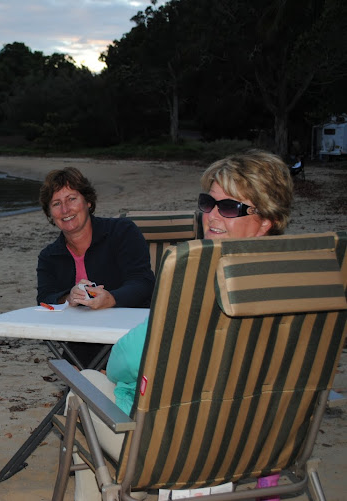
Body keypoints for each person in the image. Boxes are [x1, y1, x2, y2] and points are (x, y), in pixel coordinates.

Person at [72, 149, 294, 500]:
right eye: (209, 202)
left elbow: (126, 363)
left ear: (266, 220)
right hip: (266, 443)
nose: (212, 216)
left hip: (184, 448)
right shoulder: (302, 284)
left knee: (82, 386)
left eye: (231, 208)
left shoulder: (194, 280)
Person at [36, 167, 155, 367]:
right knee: (76, 374)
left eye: (72, 199)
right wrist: (69, 297)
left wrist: (111, 299)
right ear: (50, 214)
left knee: (85, 380)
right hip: (83, 342)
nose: (65, 210)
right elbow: (44, 299)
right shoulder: (49, 256)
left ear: (88, 202)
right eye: (56, 204)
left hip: (132, 335)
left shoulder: (121, 232)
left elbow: (143, 282)